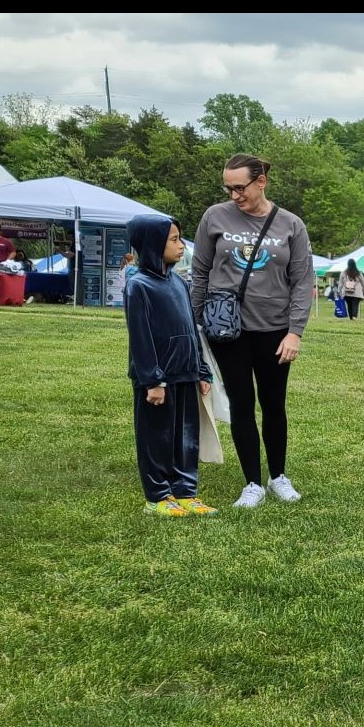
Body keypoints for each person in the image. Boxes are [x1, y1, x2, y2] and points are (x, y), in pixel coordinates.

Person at [191, 152, 315, 509]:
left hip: (275, 330)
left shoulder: (291, 225)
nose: (234, 195)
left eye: (240, 188)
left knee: (274, 404)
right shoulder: (215, 217)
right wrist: (196, 320)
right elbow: (200, 271)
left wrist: (295, 332)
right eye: (228, 188)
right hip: (227, 329)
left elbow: (301, 281)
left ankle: (278, 476)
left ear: (261, 181)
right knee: (241, 404)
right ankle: (252, 483)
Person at [123, 215, 216, 519]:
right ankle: (158, 496)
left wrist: (201, 370)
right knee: (156, 437)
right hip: (157, 380)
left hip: (185, 373)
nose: (181, 245)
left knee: (186, 438)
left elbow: (191, 329)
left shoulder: (178, 281)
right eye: (174, 239)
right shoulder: (138, 285)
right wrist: (152, 380)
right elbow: (141, 337)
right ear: (152, 245)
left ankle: (185, 491)